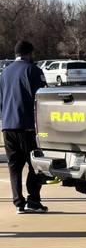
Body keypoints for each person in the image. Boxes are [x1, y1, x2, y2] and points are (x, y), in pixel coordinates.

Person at [0, 40, 48, 214]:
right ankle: (33, 200)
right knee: (37, 165)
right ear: (29, 53)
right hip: (28, 126)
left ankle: (18, 202)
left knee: (14, 166)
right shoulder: (33, 70)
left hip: (8, 126)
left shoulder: (4, 72)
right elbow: (42, 98)